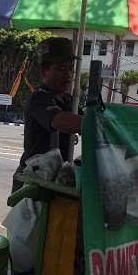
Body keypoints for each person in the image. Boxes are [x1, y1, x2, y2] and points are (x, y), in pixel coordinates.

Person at [12, 37, 83, 193]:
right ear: (45, 70)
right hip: (32, 182)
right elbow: (59, 121)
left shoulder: (68, 100)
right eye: (61, 68)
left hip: (55, 180)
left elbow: (85, 119)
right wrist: (92, 124)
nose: (68, 74)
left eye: (71, 68)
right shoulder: (38, 98)